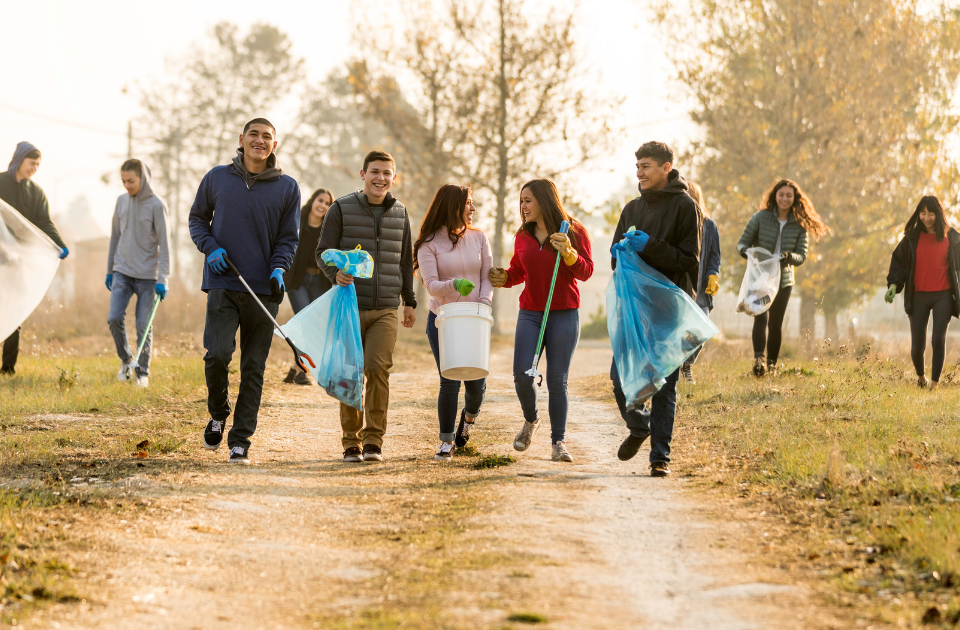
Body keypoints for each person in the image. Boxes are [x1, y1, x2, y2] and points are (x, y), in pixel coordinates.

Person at [189, 118, 300, 465]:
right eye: (254, 134)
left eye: (267, 136)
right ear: (241, 139)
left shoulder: (287, 187)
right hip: (223, 282)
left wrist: (279, 267)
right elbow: (196, 219)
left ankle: (241, 441)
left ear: (274, 146)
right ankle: (218, 413)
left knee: (254, 367)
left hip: (264, 290)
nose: (260, 140)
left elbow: (288, 238)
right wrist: (210, 247)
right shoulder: (217, 178)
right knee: (218, 355)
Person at [316, 150, 417, 463]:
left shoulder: (400, 212)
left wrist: (408, 301)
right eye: (375, 171)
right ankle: (351, 442)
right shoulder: (341, 208)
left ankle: (373, 441)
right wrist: (336, 273)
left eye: (387, 173)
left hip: (386, 308)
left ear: (394, 177)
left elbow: (404, 261)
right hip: (349, 305)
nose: (381, 178)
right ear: (363, 174)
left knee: (376, 368)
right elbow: (322, 252)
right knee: (350, 373)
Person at [610, 141, 702, 477]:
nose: (639, 172)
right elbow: (612, 257)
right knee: (619, 377)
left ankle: (659, 457)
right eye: (637, 166)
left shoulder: (685, 207)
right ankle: (638, 426)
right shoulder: (631, 208)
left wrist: (652, 246)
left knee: (665, 384)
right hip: (634, 309)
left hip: (670, 308)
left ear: (666, 167)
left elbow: (689, 260)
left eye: (646, 166)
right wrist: (620, 251)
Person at [489, 179, 594, 463]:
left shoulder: (573, 230)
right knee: (522, 375)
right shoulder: (522, 236)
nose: (522, 206)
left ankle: (558, 442)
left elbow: (586, 272)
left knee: (558, 381)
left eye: (528, 200)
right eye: (521, 200)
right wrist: (504, 278)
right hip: (531, 313)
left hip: (564, 314)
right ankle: (531, 420)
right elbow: (518, 272)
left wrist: (570, 255)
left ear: (545, 200)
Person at [415, 184, 493, 462]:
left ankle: (468, 420)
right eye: (468, 203)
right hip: (444, 320)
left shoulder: (479, 238)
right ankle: (446, 442)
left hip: (475, 319)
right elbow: (432, 286)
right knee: (449, 380)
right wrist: (454, 285)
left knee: (476, 385)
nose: (473, 209)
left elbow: (486, 277)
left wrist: (484, 302)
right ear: (452, 206)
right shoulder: (428, 244)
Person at [737, 179, 829, 377]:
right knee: (760, 317)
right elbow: (742, 242)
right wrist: (745, 252)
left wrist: (789, 257)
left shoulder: (799, 224)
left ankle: (772, 365)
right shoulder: (760, 217)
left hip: (783, 280)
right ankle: (759, 360)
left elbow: (801, 255)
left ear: (794, 198)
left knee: (775, 323)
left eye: (789, 195)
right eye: (781, 195)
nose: (784, 198)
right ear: (775, 196)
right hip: (760, 276)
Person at [0, 142, 68, 376]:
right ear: (19, 160)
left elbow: (44, 222)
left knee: (14, 310)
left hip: (20, 262)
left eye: (38, 165)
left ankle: (8, 368)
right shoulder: (0, 183)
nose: (35, 168)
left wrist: (59, 243)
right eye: (32, 163)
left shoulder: (36, 192)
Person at [105, 159, 171, 387]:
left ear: (143, 178)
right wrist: (110, 270)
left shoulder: (157, 205)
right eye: (123, 181)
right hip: (122, 270)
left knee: (144, 324)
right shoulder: (121, 201)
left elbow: (165, 244)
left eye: (131, 181)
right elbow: (114, 237)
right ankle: (126, 361)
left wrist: (163, 278)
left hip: (148, 277)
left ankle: (142, 372)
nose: (127, 185)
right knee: (113, 317)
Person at [885, 196, 960, 390]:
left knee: (937, 339)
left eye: (931, 213)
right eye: (923, 213)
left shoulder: (952, 237)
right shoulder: (911, 238)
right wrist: (894, 285)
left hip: (943, 295)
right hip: (918, 296)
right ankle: (921, 377)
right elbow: (899, 262)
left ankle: (935, 384)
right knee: (918, 345)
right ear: (918, 214)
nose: (927, 217)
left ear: (939, 214)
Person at [283, 187, 334, 385]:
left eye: (327, 203)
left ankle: (296, 367)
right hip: (298, 282)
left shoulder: (328, 229)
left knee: (315, 326)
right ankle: (302, 371)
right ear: (312, 201)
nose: (323, 205)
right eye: (320, 201)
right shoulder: (297, 222)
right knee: (305, 324)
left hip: (320, 283)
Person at [681, 181, 720, 384]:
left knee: (700, 331)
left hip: (701, 290)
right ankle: (673, 368)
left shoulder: (709, 225)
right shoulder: (677, 222)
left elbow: (714, 255)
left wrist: (713, 273)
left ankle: (686, 363)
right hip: (680, 286)